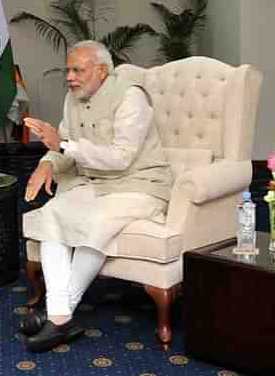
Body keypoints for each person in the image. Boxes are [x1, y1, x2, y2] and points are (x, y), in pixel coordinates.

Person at [20, 41, 173, 352]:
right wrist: (47, 163)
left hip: (140, 183)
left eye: (78, 70)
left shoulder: (131, 97)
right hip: (97, 184)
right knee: (52, 214)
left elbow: (120, 158)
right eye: (68, 70)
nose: (70, 77)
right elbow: (63, 141)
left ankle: (56, 317)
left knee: (96, 220)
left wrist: (60, 146)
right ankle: (60, 318)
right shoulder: (72, 98)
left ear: (102, 71)